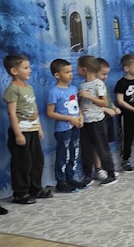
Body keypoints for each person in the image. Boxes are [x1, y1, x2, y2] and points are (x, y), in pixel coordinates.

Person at [3, 55, 46, 204]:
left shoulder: (29, 88)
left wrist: (39, 127)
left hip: (33, 130)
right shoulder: (13, 89)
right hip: (21, 131)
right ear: (14, 71)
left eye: (29, 67)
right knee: (22, 163)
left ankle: (36, 189)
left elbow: (34, 109)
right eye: (26, 68)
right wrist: (18, 134)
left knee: (37, 160)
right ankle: (20, 193)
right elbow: (11, 113)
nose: (29, 70)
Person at [77, 55, 117, 185]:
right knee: (86, 149)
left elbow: (104, 103)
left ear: (84, 69)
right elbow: (80, 104)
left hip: (98, 122)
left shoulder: (99, 84)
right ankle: (88, 175)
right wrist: (80, 115)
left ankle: (110, 174)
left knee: (102, 148)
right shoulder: (82, 85)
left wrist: (89, 96)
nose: (76, 70)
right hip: (85, 122)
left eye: (78, 68)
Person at [46, 59, 83, 193]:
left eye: (71, 71)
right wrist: (69, 119)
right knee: (63, 155)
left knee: (74, 153)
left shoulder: (73, 88)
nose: (71, 74)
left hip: (75, 127)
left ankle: (70, 178)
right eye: (67, 72)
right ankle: (61, 182)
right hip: (63, 129)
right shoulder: (54, 92)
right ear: (57, 75)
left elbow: (77, 107)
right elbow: (50, 113)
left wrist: (80, 117)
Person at [95, 58, 122, 179]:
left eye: (107, 74)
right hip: (98, 119)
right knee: (98, 145)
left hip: (107, 118)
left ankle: (107, 167)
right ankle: (98, 169)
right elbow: (92, 105)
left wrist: (114, 108)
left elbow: (108, 101)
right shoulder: (92, 87)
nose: (106, 77)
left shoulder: (103, 85)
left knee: (105, 144)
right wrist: (106, 110)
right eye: (103, 74)